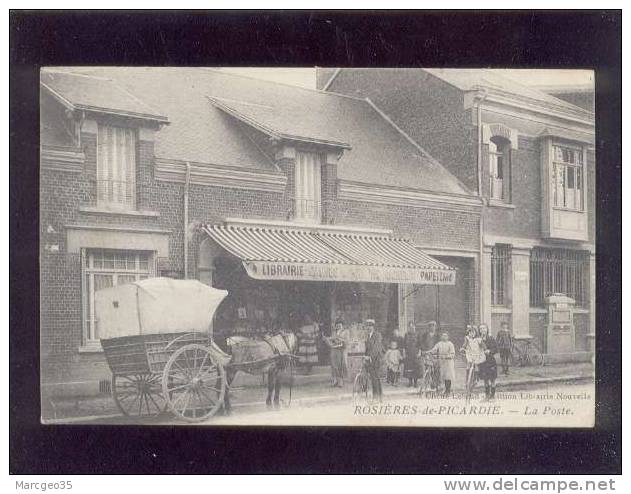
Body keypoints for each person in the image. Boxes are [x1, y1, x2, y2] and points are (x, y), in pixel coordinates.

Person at [430, 332, 456, 397]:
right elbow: (434, 349)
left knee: (448, 376)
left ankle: (448, 390)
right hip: (441, 362)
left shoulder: (450, 344)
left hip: (448, 362)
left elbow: (452, 353)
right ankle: (442, 388)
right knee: (442, 376)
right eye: (443, 336)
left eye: (445, 336)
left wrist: (447, 356)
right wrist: (430, 352)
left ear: (448, 337)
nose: (444, 337)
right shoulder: (439, 344)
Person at [364, 319, 384, 401]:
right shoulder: (368, 336)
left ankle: (378, 397)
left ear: (373, 327)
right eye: (367, 326)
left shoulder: (377, 335)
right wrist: (365, 356)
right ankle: (377, 397)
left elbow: (376, 348)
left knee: (376, 378)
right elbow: (367, 348)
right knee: (373, 379)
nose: (369, 328)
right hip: (370, 360)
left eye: (370, 326)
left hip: (376, 359)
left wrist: (370, 356)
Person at [324, 320, 348, 387]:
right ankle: (335, 381)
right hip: (334, 350)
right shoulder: (334, 332)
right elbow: (332, 341)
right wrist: (328, 340)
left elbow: (346, 341)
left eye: (340, 325)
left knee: (341, 365)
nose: (338, 327)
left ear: (342, 326)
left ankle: (341, 381)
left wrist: (338, 338)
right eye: (337, 325)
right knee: (334, 365)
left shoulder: (346, 332)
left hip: (342, 350)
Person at [478, 324, 499, 400]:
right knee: (485, 379)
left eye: (484, 328)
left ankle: (492, 395)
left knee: (492, 379)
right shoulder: (478, 340)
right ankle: (487, 395)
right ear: (479, 330)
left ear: (487, 329)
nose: (482, 330)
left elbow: (496, 349)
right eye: (481, 329)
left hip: (490, 361)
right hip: (482, 362)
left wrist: (490, 351)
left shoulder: (491, 338)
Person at [420, 321, 440, 389]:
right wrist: (423, 350)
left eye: (433, 326)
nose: (432, 328)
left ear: (435, 327)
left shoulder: (437, 335)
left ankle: (435, 382)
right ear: (428, 327)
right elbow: (422, 343)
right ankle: (427, 381)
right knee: (427, 367)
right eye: (431, 326)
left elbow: (439, 344)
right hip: (427, 353)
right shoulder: (425, 335)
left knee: (436, 368)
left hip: (435, 354)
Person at [403, 321, 421, 387]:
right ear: (408, 328)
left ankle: (415, 382)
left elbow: (420, 344)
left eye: (413, 326)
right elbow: (404, 345)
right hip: (408, 353)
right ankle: (410, 382)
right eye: (410, 327)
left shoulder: (417, 334)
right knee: (409, 368)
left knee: (415, 368)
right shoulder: (406, 334)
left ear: (415, 327)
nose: (411, 328)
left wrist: (419, 352)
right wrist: (404, 353)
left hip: (415, 353)